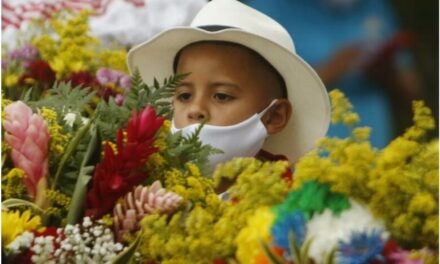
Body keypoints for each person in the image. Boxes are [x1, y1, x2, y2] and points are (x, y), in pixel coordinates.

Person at [126, 0, 331, 177]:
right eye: (185, 95)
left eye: (222, 96)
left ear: (274, 117)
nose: (196, 110)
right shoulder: (139, 190)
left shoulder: (285, 214)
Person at [242, 0, 422, 148]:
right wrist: (332, 69)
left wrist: (388, 72)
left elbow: (412, 90)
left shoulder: (374, 5)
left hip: (374, 151)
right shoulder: (268, 7)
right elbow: (249, 94)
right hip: (303, 159)